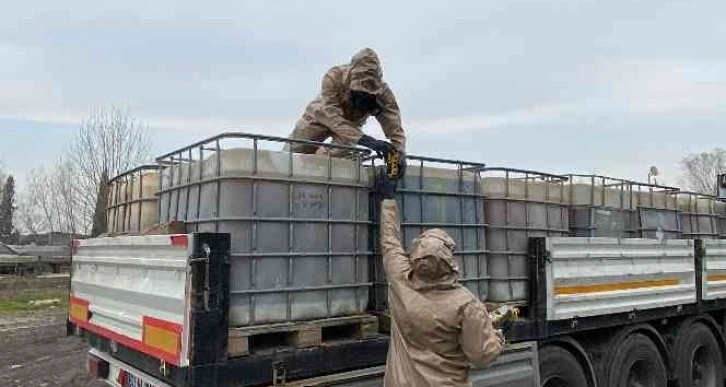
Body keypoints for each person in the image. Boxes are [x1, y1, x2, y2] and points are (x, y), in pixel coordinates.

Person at [375, 170, 505, 387]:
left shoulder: (401, 282)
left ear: (414, 255)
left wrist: (388, 199)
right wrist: (498, 339)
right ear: (450, 261)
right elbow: (481, 356)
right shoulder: (467, 304)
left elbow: (390, 242)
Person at [284, 47, 406, 157]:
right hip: (320, 117)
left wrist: (399, 153)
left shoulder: (383, 92)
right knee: (295, 150)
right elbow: (332, 117)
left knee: (339, 155)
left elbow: (394, 124)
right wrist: (366, 140)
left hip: (351, 125)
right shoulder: (333, 77)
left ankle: (318, 165)